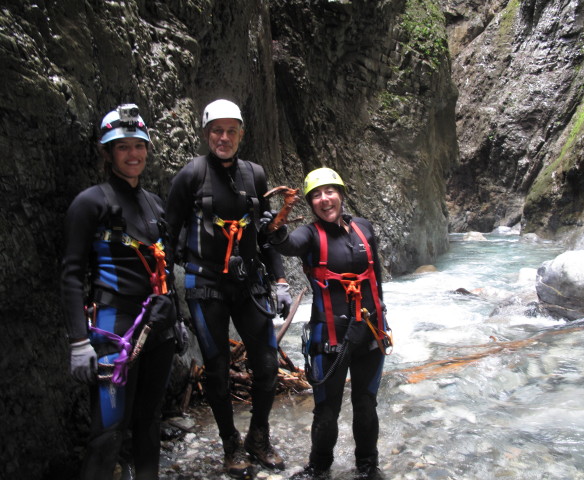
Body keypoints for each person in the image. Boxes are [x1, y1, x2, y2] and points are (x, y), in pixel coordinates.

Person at [165, 99, 292, 478]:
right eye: (216, 131)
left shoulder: (254, 174)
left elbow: (265, 234)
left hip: (249, 283)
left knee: (267, 364)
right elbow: (169, 237)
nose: (224, 137)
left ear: (241, 134)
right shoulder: (190, 176)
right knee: (217, 370)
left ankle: (258, 435)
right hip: (205, 286)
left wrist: (281, 279)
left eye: (230, 130)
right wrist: (167, 295)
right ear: (206, 134)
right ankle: (229, 443)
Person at [61, 104, 184, 480]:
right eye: (122, 147)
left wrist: (176, 320)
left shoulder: (155, 204)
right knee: (109, 430)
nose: (133, 154)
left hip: (158, 327)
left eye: (138, 145)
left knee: (149, 421)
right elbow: (71, 273)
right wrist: (79, 342)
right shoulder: (91, 203)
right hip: (114, 328)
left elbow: (165, 267)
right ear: (108, 153)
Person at [260, 167, 392, 480]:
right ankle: (319, 468)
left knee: (365, 404)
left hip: (370, 333)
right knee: (327, 409)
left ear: (341, 195)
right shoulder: (310, 235)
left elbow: (376, 280)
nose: (324, 199)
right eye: (316, 195)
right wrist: (275, 231)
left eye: (330, 191)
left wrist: (382, 323)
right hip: (329, 338)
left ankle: (367, 467)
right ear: (311, 203)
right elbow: (287, 245)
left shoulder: (364, 229)